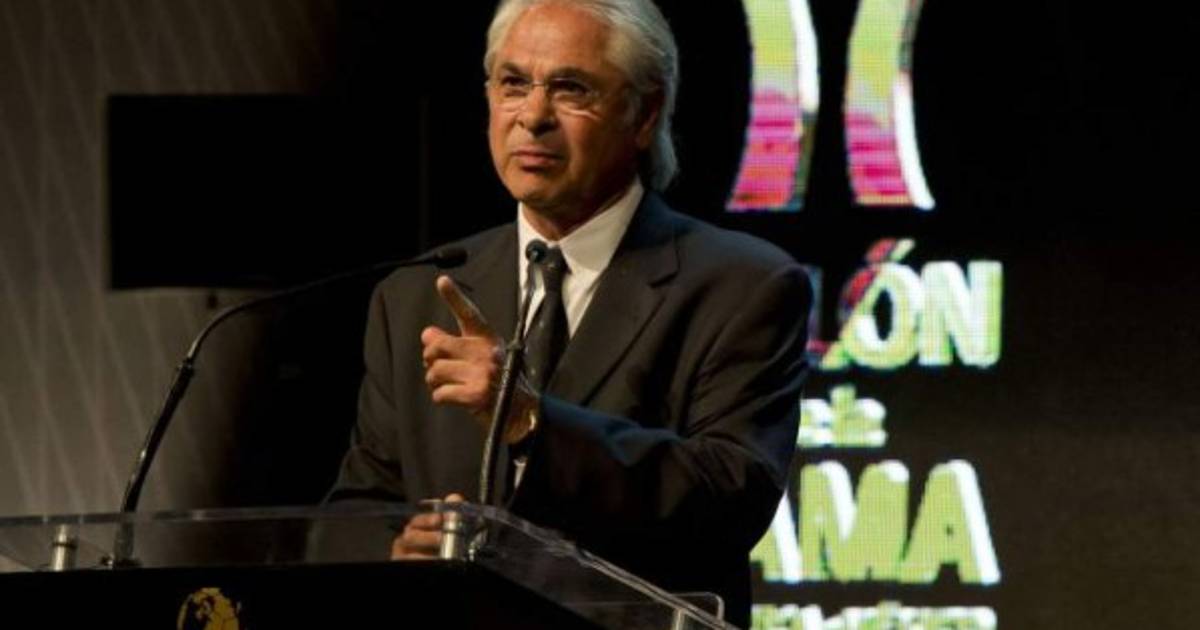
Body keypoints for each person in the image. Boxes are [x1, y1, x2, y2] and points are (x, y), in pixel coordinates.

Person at [324, 0, 811, 624]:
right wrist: (394, 550)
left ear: (645, 114)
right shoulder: (417, 294)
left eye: (570, 89)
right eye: (513, 83)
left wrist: (530, 420)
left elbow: (727, 501)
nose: (532, 117)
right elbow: (358, 508)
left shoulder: (743, 285)